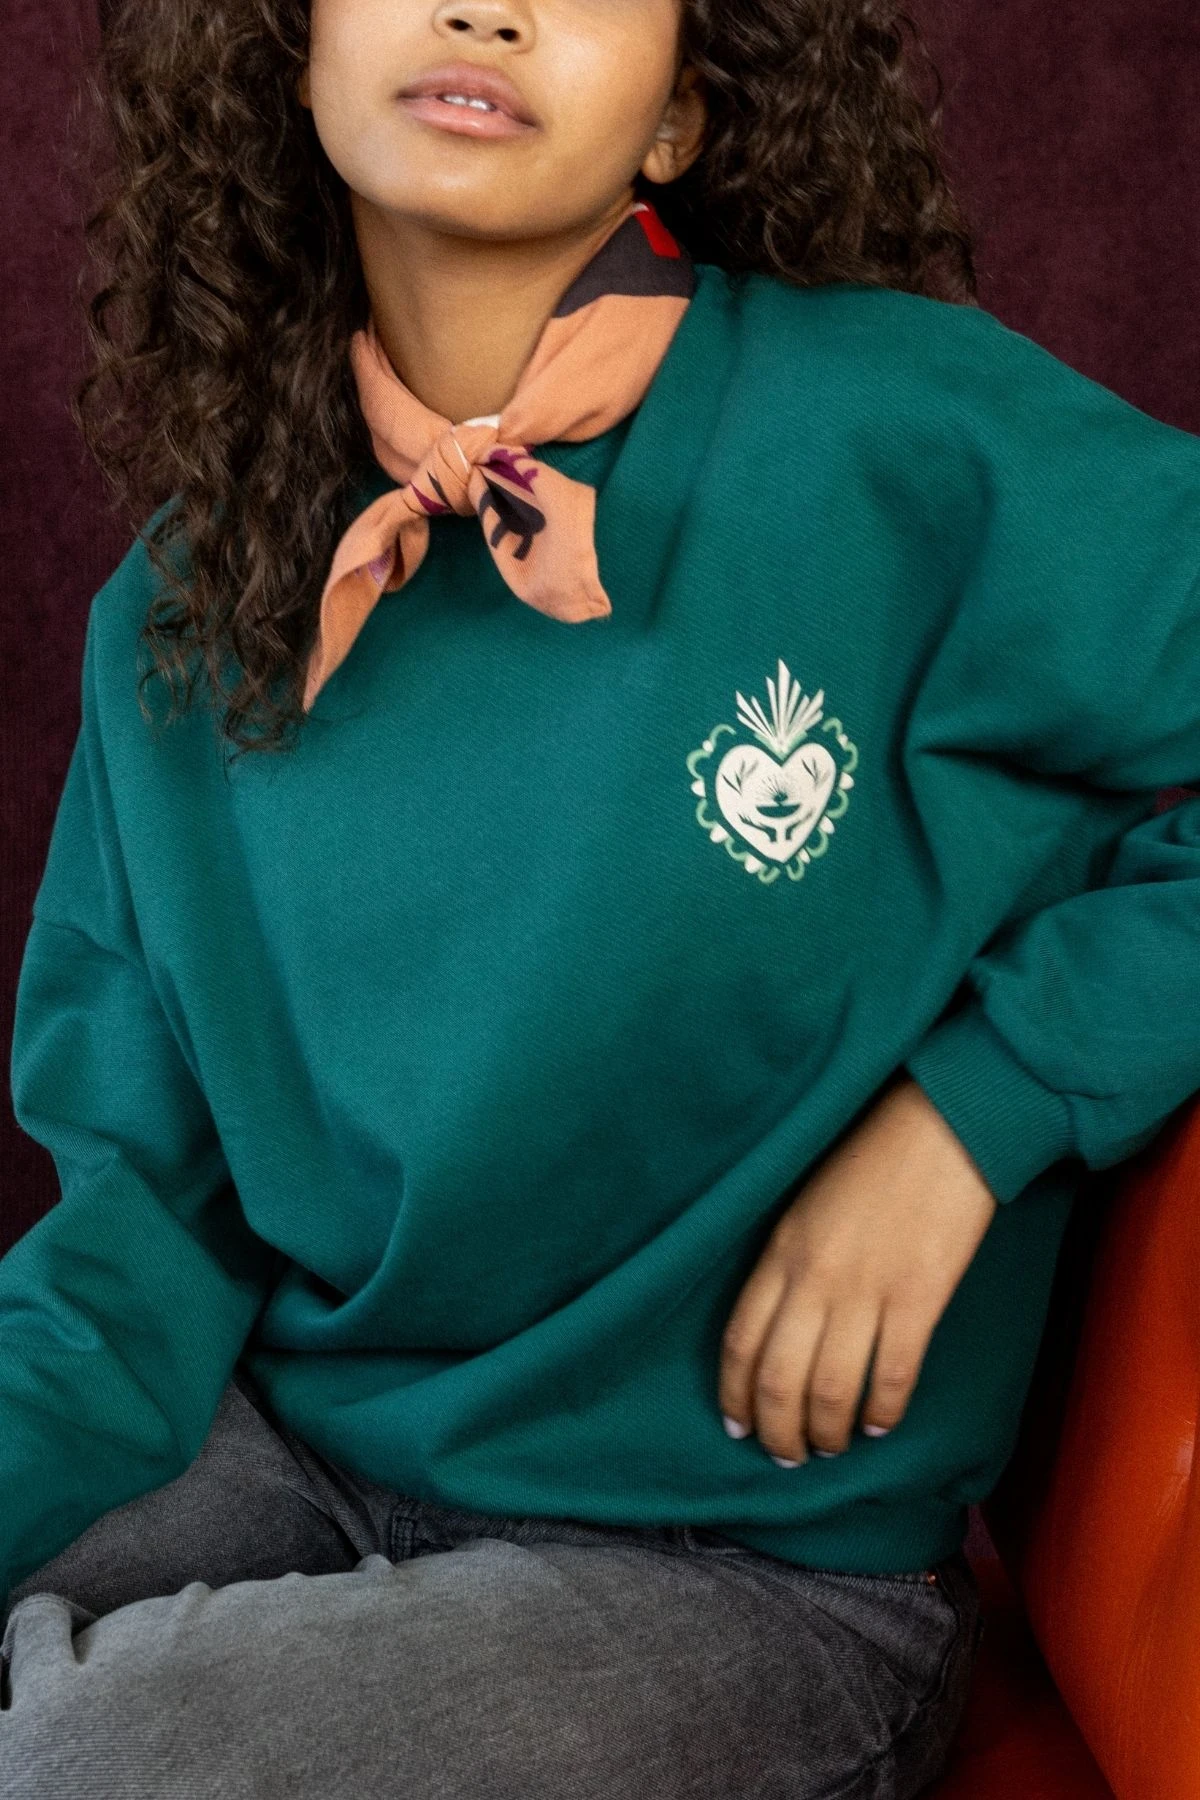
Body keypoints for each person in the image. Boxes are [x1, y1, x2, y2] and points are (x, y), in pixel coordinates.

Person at [2, 0, 1199, 1793]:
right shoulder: (178, 611)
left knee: (105, 1757)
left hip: (742, 1570)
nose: (486, 5)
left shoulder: (897, 434)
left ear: (679, 118)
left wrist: (982, 1107)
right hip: (294, 1448)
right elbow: (136, 1234)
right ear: (289, 55)